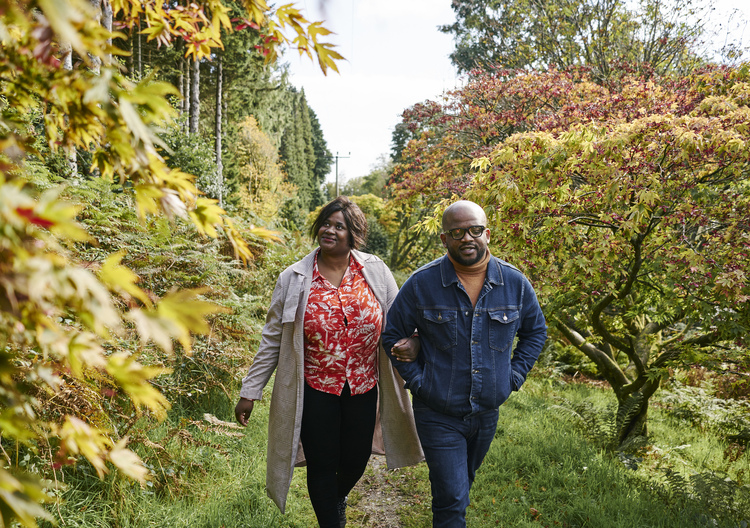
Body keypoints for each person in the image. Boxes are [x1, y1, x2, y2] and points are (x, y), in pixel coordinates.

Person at [234, 196, 423, 528]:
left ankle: (335, 498)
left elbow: (401, 321)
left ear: (354, 235)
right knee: (322, 464)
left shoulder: (375, 271)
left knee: (355, 458)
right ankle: (330, 520)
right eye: (326, 223)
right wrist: (250, 391)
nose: (329, 230)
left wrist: (417, 344)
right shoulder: (293, 278)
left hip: (363, 386)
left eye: (339, 226)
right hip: (316, 389)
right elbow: (272, 339)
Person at [382, 199, 547, 528]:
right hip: (437, 412)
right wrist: (419, 381)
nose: (467, 238)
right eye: (457, 232)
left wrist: (512, 377)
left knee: (460, 488)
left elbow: (536, 332)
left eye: (474, 230)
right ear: (444, 239)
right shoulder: (421, 283)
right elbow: (391, 336)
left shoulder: (514, 283)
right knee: (453, 497)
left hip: (486, 413)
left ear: (487, 234)